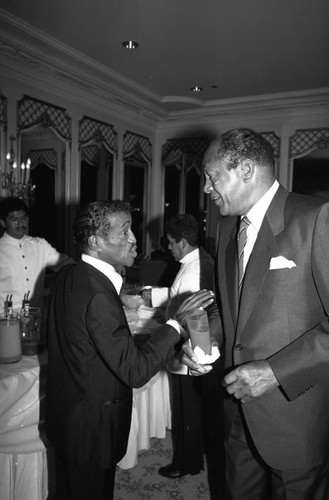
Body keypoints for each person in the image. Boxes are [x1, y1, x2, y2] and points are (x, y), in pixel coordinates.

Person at [182, 128, 329, 500]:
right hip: (236, 414)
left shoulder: (315, 218)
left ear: (246, 169)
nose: (206, 189)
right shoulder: (227, 225)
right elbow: (233, 311)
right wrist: (204, 343)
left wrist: (274, 372)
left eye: (213, 177)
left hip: (297, 419)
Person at [45, 200, 214, 500]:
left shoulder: (69, 274)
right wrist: (175, 325)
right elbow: (134, 371)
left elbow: (88, 348)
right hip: (92, 430)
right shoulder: (97, 293)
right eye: (124, 232)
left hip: (70, 420)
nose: (134, 239)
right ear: (96, 241)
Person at [151, 215, 225, 499]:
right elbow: (179, 298)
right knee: (191, 411)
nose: (169, 248)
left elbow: (196, 316)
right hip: (195, 349)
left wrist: (194, 355)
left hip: (191, 352)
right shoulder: (198, 260)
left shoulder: (194, 270)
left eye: (171, 243)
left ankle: (186, 462)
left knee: (187, 411)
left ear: (182, 241)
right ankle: (190, 459)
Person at [0, 196, 73, 313]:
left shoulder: (39, 245)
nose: (20, 223)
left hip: (36, 319)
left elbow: (67, 265)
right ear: (3, 223)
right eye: (14, 219)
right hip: (6, 322)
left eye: (23, 218)